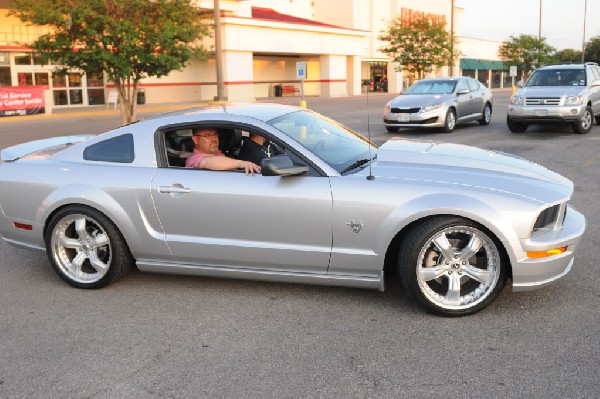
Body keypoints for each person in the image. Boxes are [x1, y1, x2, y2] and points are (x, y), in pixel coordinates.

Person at [185, 128, 261, 175]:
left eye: (215, 135)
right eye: (207, 135)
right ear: (195, 140)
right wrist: (242, 163)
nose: (214, 139)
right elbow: (206, 162)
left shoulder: (218, 153)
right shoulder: (193, 159)